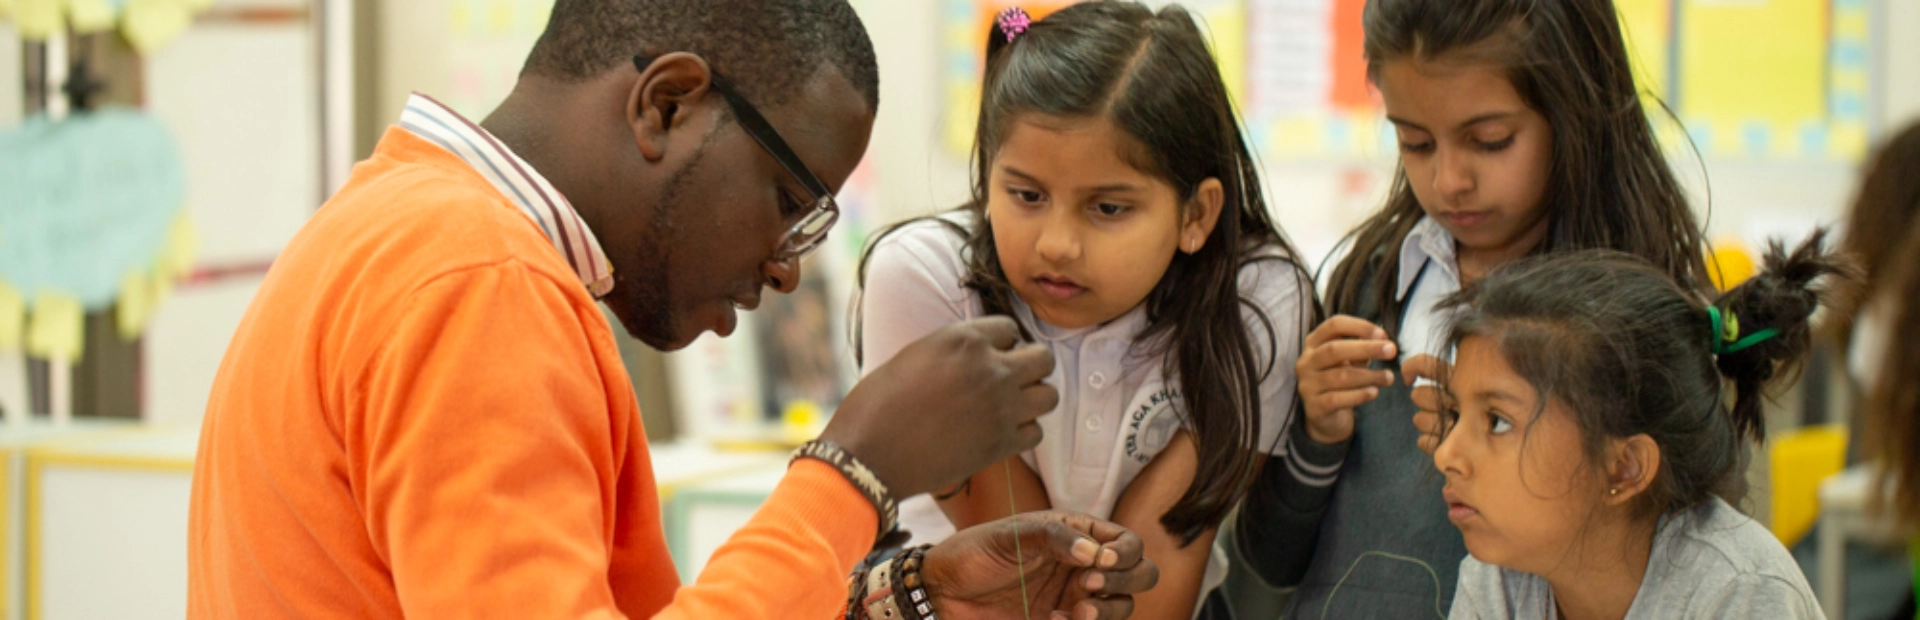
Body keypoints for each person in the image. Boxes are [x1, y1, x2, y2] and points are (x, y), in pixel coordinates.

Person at [185, 1, 1160, 618]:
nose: (785, 270)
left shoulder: (402, 220)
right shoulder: (481, 280)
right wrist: (851, 470)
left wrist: (910, 593)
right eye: (789, 202)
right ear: (666, 104)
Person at [1231, 0, 1713, 616]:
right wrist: (1314, 436)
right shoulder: (1370, 286)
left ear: (1573, 116)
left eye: (1489, 141)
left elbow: (1669, 571)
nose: (1450, 179)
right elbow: (1268, 559)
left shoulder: (1632, 323)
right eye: (1415, 142)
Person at [856, 3, 1314, 617]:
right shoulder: (925, 278)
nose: (1056, 244)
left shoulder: (1255, 303)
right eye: (1026, 195)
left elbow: (1155, 582)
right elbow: (1024, 583)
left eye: (1107, 209)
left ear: (1196, 215)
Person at [1436, 234, 1846, 619]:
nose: (1446, 454)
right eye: (1455, 415)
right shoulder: (1500, 576)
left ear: (1625, 467)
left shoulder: (1740, 592)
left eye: (1497, 422)